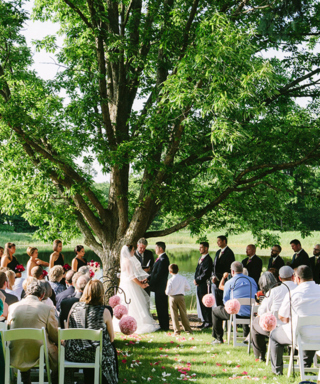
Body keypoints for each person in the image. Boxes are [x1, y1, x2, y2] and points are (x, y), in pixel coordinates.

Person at [270, 265, 320, 376]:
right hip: (319, 335)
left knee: (274, 335)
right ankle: (305, 365)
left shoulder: (294, 293)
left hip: (300, 336)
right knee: (311, 330)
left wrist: (289, 318)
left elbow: (282, 316)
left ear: (296, 278)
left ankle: (277, 371)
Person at [65, 280, 118, 384]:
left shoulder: (74, 307)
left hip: (74, 352)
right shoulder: (104, 311)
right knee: (109, 349)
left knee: (89, 348)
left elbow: (67, 330)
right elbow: (112, 338)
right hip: (96, 354)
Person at [7, 280, 58, 384]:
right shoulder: (47, 309)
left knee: (24, 344)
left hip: (16, 351)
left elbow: (9, 329)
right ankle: (54, 379)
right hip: (38, 352)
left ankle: (25, 378)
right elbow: (54, 334)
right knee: (56, 350)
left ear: (27, 293)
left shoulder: (12, 307)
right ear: (43, 295)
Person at [251, 266, 296, 361]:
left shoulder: (274, 291)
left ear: (279, 278)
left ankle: (260, 354)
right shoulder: (300, 290)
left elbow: (261, 311)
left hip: (275, 327)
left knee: (255, 323)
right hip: (296, 327)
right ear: (293, 277)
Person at [211, 261, 257, 345]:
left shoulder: (229, 282)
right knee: (244, 307)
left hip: (236, 313)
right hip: (251, 312)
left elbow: (226, 301)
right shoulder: (252, 280)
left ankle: (218, 338)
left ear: (232, 271)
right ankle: (246, 335)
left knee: (215, 311)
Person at [117, 245, 160, 333]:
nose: (134, 252)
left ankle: (126, 322)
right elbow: (132, 276)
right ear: (129, 252)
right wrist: (141, 285)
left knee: (127, 302)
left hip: (124, 284)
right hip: (129, 285)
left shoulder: (124, 260)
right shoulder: (128, 261)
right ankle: (134, 322)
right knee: (133, 302)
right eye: (133, 250)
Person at [165, 264, 192, 336]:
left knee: (174, 315)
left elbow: (167, 292)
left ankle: (177, 331)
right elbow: (188, 288)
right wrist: (182, 289)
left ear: (170, 272)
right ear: (178, 270)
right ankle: (188, 330)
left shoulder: (170, 280)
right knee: (183, 313)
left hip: (172, 297)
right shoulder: (183, 278)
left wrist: (171, 292)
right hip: (181, 296)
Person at [148, 242, 170, 331]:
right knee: (159, 306)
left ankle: (164, 326)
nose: (155, 249)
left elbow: (158, 275)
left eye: (156, 247)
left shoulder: (163, 259)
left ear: (161, 248)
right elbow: (154, 273)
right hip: (158, 288)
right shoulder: (160, 258)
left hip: (161, 287)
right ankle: (162, 324)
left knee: (162, 307)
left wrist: (150, 283)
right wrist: (147, 278)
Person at [194, 241, 213, 329]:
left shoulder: (208, 259)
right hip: (199, 284)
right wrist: (195, 279)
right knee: (201, 303)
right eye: (199, 247)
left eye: (201, 247)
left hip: (205, 285)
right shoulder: (200, 258)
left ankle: (209, 321)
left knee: (206, 302)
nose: (199, 249)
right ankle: (204, 320)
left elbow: (206, 273)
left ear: (206, 248)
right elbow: (197, 270)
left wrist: (198, 280)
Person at [212, 236, 235, 307]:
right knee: (217, 300)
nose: (217, 242)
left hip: (224, 281)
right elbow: (214, 266)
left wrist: (222, 278)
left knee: (223, 300)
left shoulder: (229, 253)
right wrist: (213, 276)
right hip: (216, 281)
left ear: (224, 241)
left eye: (219, 241)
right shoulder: (218, 252)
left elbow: (229, 269)